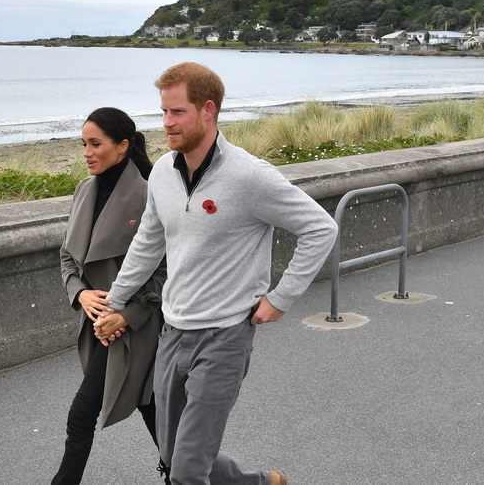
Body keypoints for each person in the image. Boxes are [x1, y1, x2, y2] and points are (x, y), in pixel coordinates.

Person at [95, 63, 339, 485]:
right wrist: (114, 300)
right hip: (172, 333)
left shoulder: (249, 175)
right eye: (164, 112)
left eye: (177, 112)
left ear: (208, 111)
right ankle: (260, 482)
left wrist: (280, 299)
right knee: (174, 456)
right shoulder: (161, 175)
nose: (166, 123)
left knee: (187, 472)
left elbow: (320, 228)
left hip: (225, 336)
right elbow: (148, 244)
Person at [52, 107, 167, 485]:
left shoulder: (150, 195)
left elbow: (168, 271)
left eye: (95, 143)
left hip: (139, 327)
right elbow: (68, 255)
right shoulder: (84, 189)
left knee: (81, 414)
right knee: (155, 413)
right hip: (98, 323)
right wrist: (81, 294)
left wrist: (127, 315)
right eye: (83, 143)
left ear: (121, 146)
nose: (86, 152)